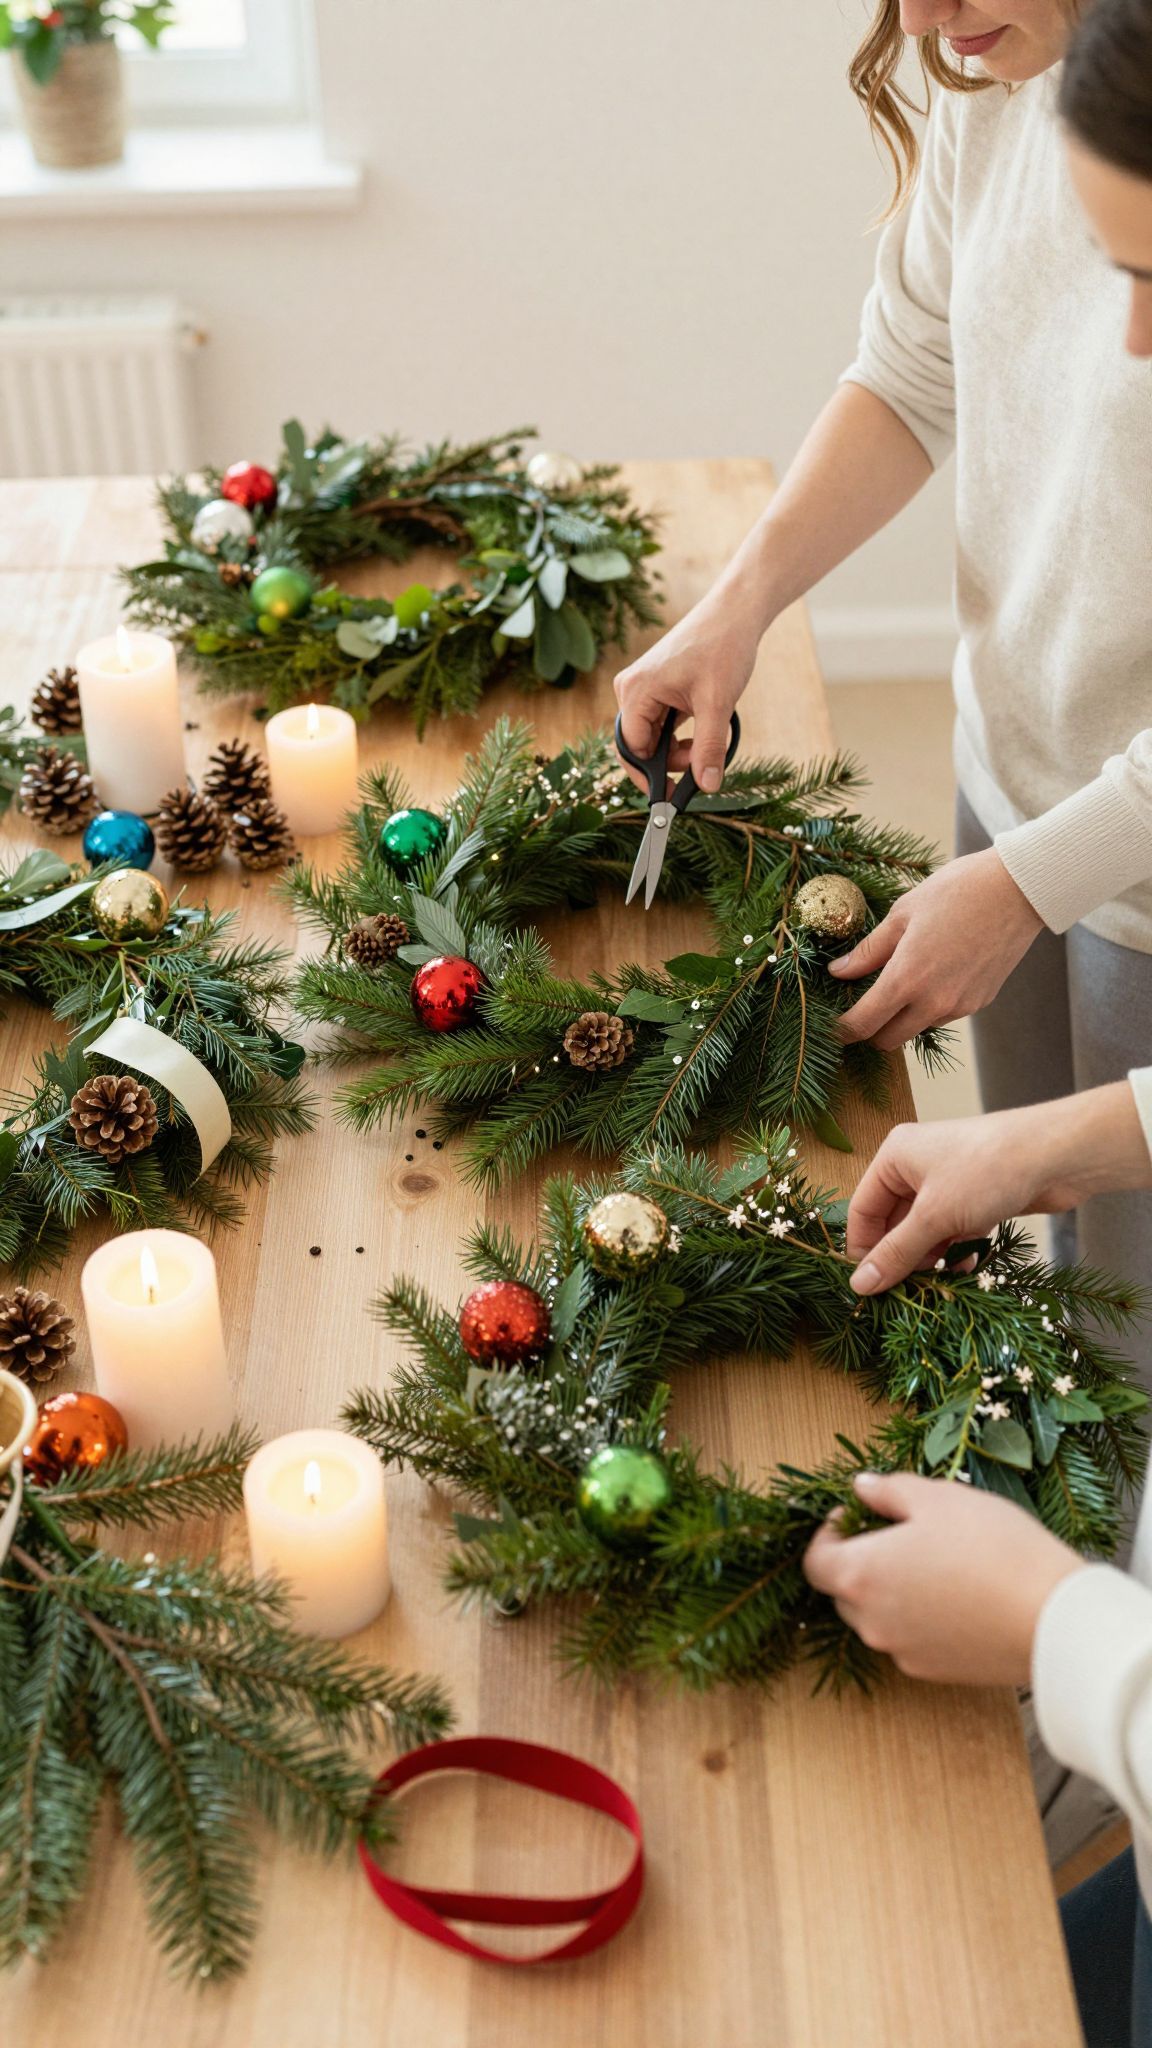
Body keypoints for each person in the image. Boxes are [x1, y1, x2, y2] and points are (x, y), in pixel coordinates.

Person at [614, 0, 1152, 1384]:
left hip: (1125, 859)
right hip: (1016, 772)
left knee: (1139, 1327)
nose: (927, 16)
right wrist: (738, 605)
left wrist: (1040, 882)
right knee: (1060, 1276)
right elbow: (916, 368)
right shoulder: (1004, 65)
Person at [804, 18, 1152, 2039]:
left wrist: (1062, 1628)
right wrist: (1049, 1145)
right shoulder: (1009, 87)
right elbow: (924, 348)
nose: (1118, 362)